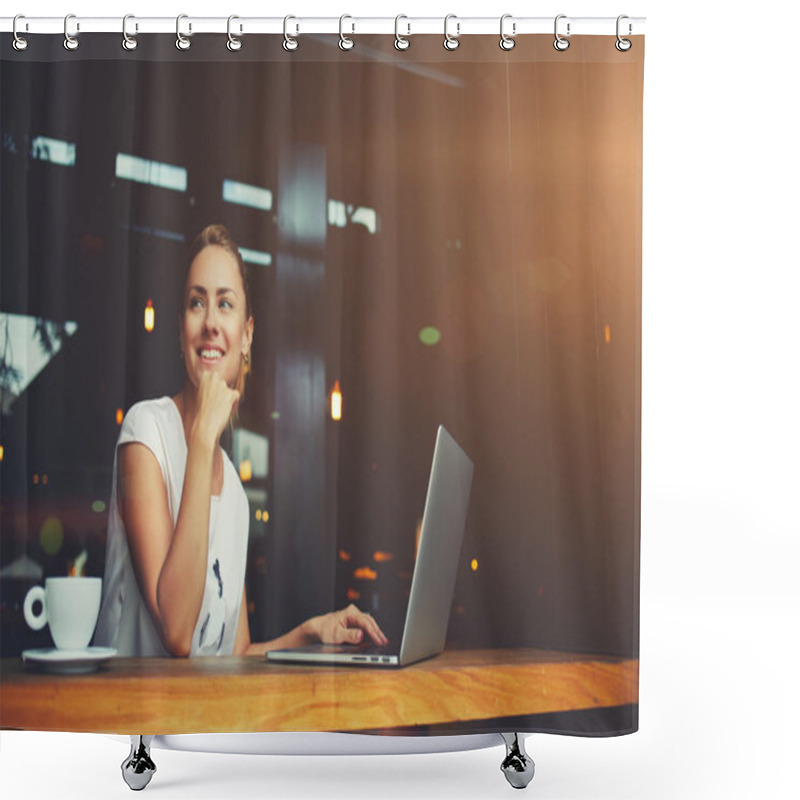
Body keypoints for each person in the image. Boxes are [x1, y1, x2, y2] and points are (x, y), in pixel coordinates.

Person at [94, 224, 387, 657]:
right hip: (134, 720)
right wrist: (202, 439)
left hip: (197, 724)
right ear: (180, 332)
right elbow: (177, 633)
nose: (211, 322)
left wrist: (309, 631)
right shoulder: (145, 432)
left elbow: (231, 654)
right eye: (197, 303)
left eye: (225, 304)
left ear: (246, 335)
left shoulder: (233, 492)